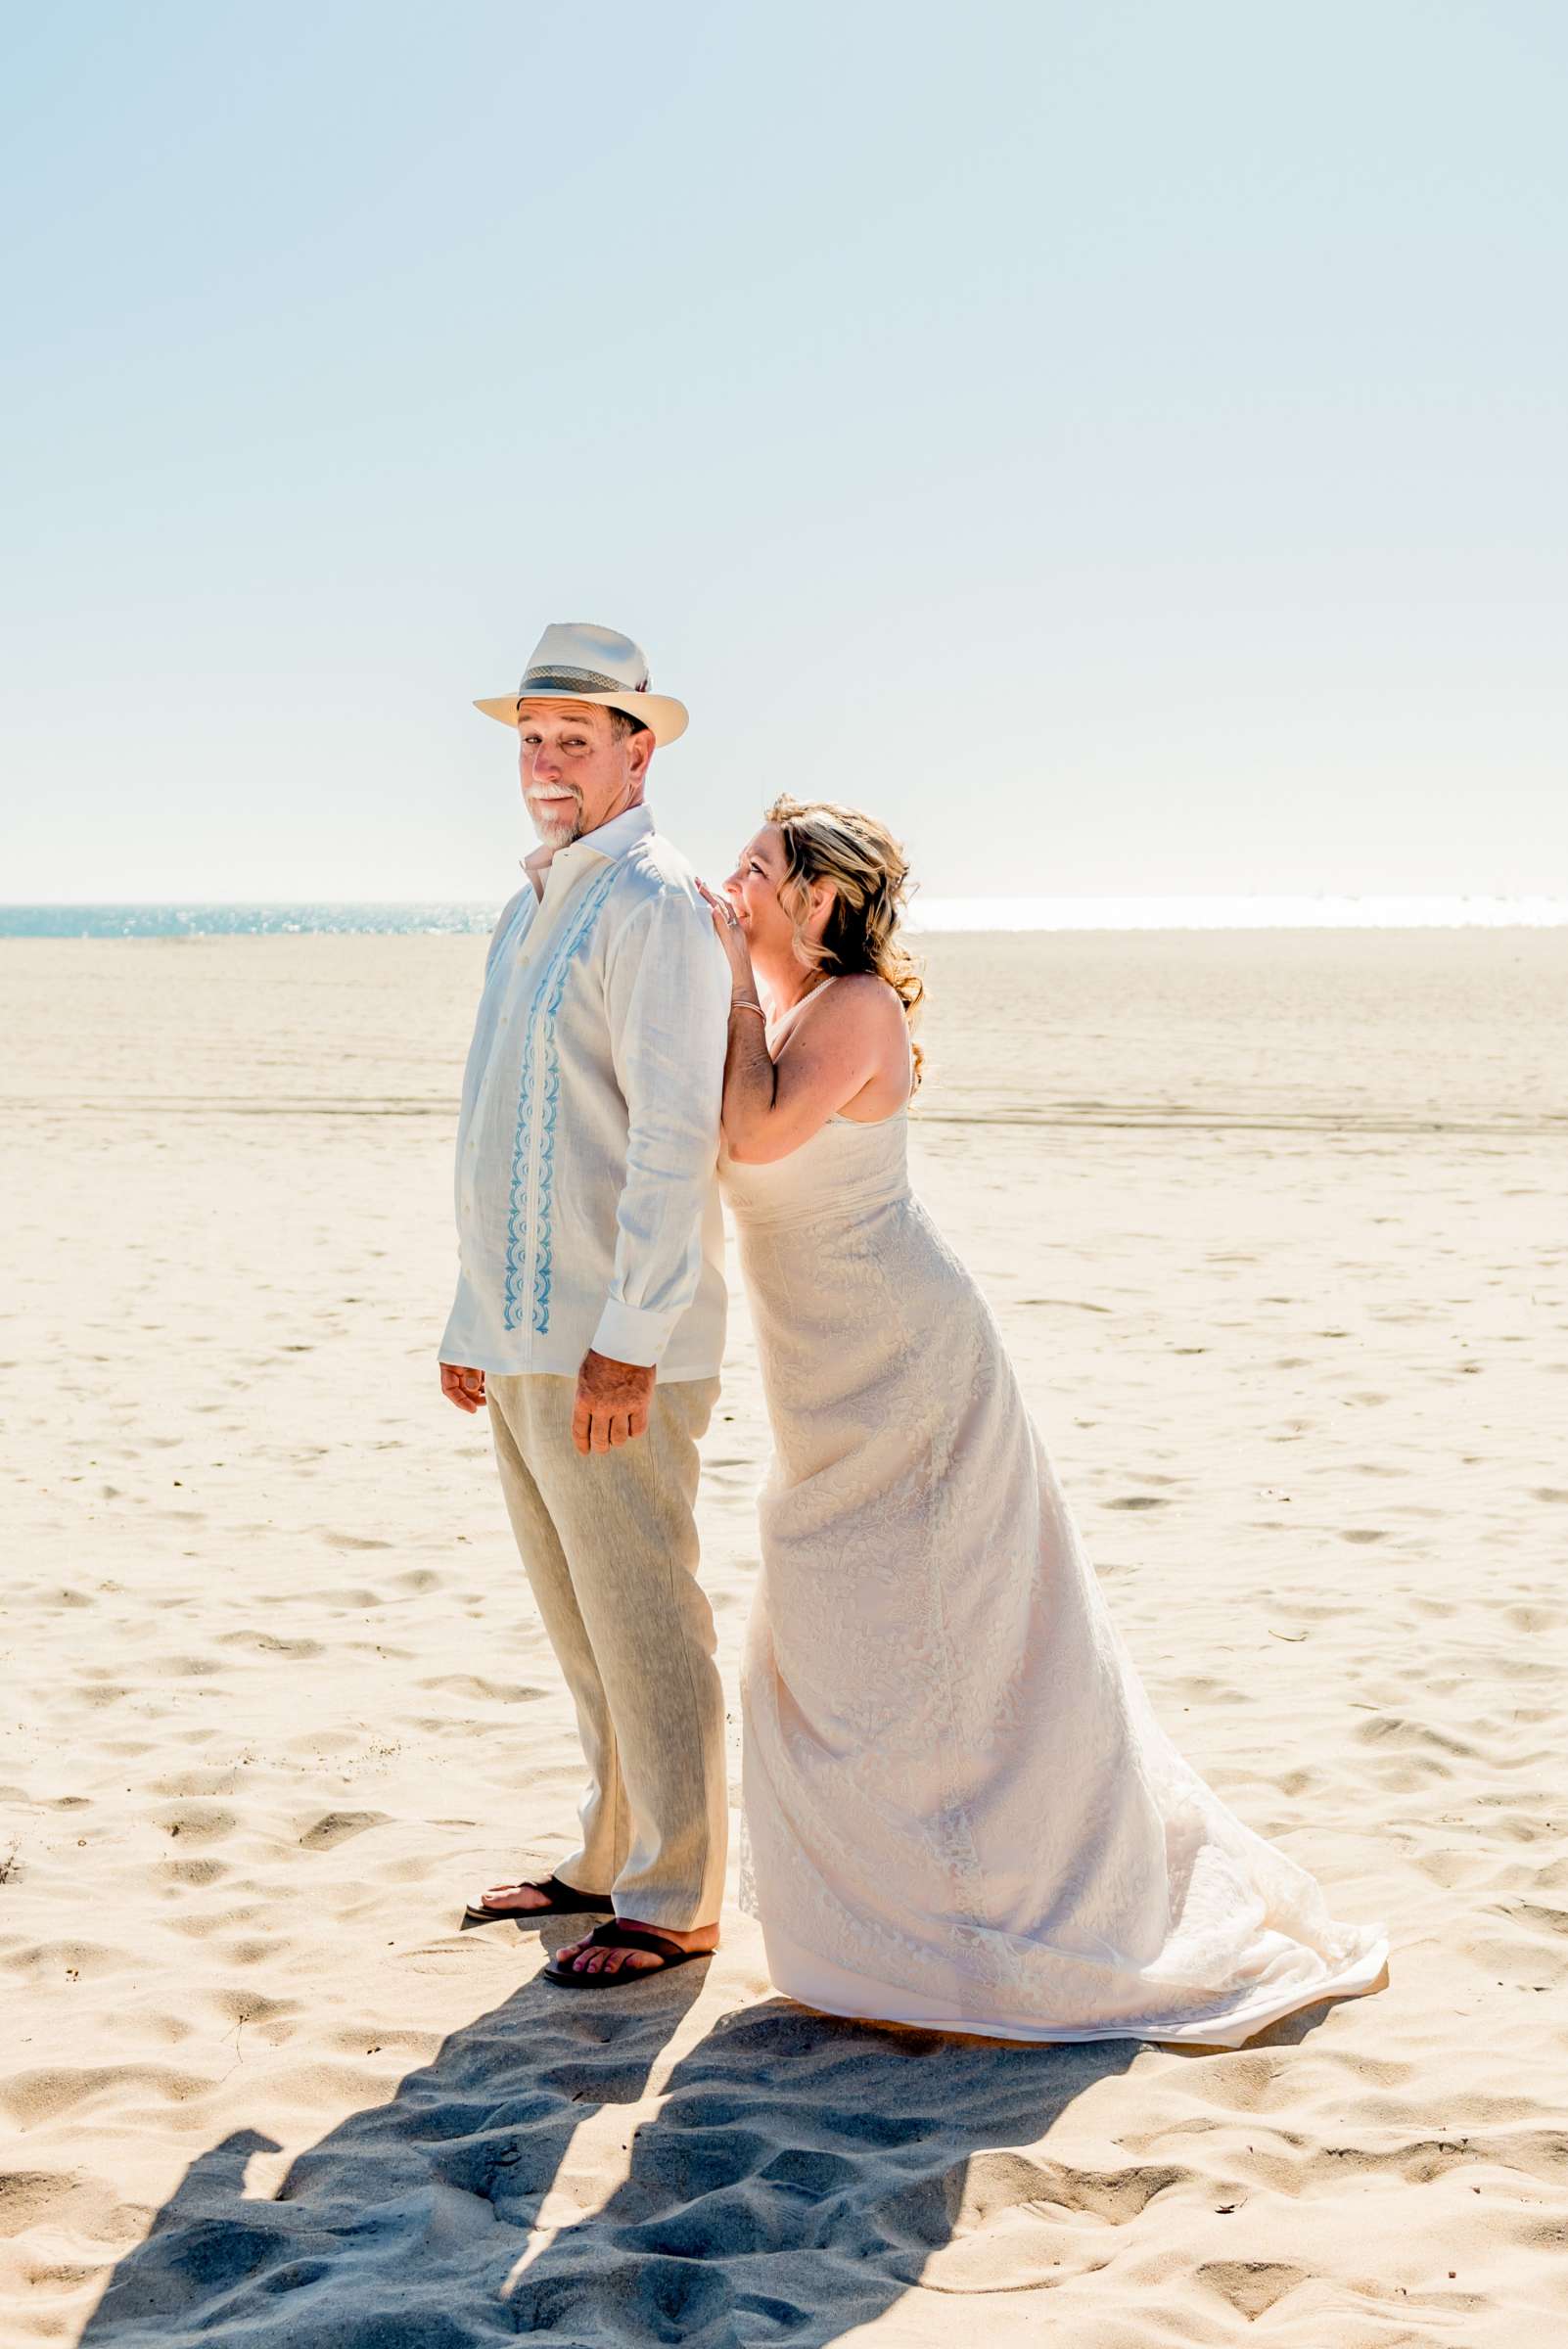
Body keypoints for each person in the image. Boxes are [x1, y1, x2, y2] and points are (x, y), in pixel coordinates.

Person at [698, 796, 1391, 2048]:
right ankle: (894, 1916)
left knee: (943, 1626)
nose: (730, 884)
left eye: (754, 870)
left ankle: (992, 1911)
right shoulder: (781, 1008)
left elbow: (754, 1126)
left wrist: (731, 984)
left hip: (904, 1356)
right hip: (818, 1372)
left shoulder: (851, 1006)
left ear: (817, 900)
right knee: (841, 1625)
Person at [439, 621, 733, 1987]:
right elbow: (504, 1128)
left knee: (643, 1610)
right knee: (577, 1616)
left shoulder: (654, 903)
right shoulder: (532, 902)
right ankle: (607, 1857)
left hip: (618, 1344)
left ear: (638, 748)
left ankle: (673, 1895)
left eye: (576, 737)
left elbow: (677, 1138)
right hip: (524, 1333)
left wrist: (630, 1339)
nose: (548, 761)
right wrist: (471, 1318)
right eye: (532, 739)